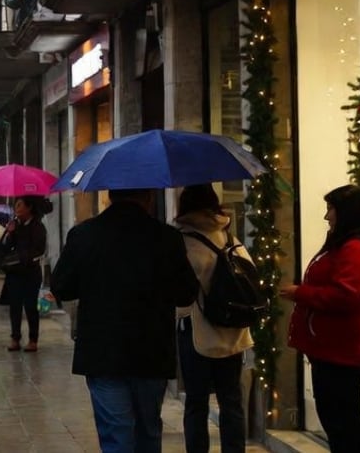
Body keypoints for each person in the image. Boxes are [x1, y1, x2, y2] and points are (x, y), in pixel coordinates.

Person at [51, 188, 199, 452]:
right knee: (148, 430)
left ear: (109, 196)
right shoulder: (167, 237)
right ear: (149, 197)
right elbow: (186, 293)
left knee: (116, 434)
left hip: (102, 351)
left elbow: (62, 287)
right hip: (151, 351)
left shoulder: (84, 235)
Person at [280, 185, 360, 453]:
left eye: (331, 209)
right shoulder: (345, 245)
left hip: (341, 350)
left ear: (346, 212)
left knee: (343, 427)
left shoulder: (356, 249)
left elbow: (347, 296)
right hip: (331, 348)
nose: (327, 216)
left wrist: (302, 293)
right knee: (338, 426)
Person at [175, 184, 253, 453]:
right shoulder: (229, 237)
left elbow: (180, 294)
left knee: (196, 402)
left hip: (197, 333)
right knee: (231, 400)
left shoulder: (182, 241)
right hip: (233, 333)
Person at [1, 195, 50, 352]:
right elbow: (6, 248)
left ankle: (33, 339)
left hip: (30, 273)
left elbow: (39, 250)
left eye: (20, 205)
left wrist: (23, 258)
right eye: (16, 206)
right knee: (14, 306)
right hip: (14, 273)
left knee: (30, 306)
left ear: (29, 208)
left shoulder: (38, 227)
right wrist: (10, 233)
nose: (17, 209)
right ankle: (15, 338)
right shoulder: (15, 226)